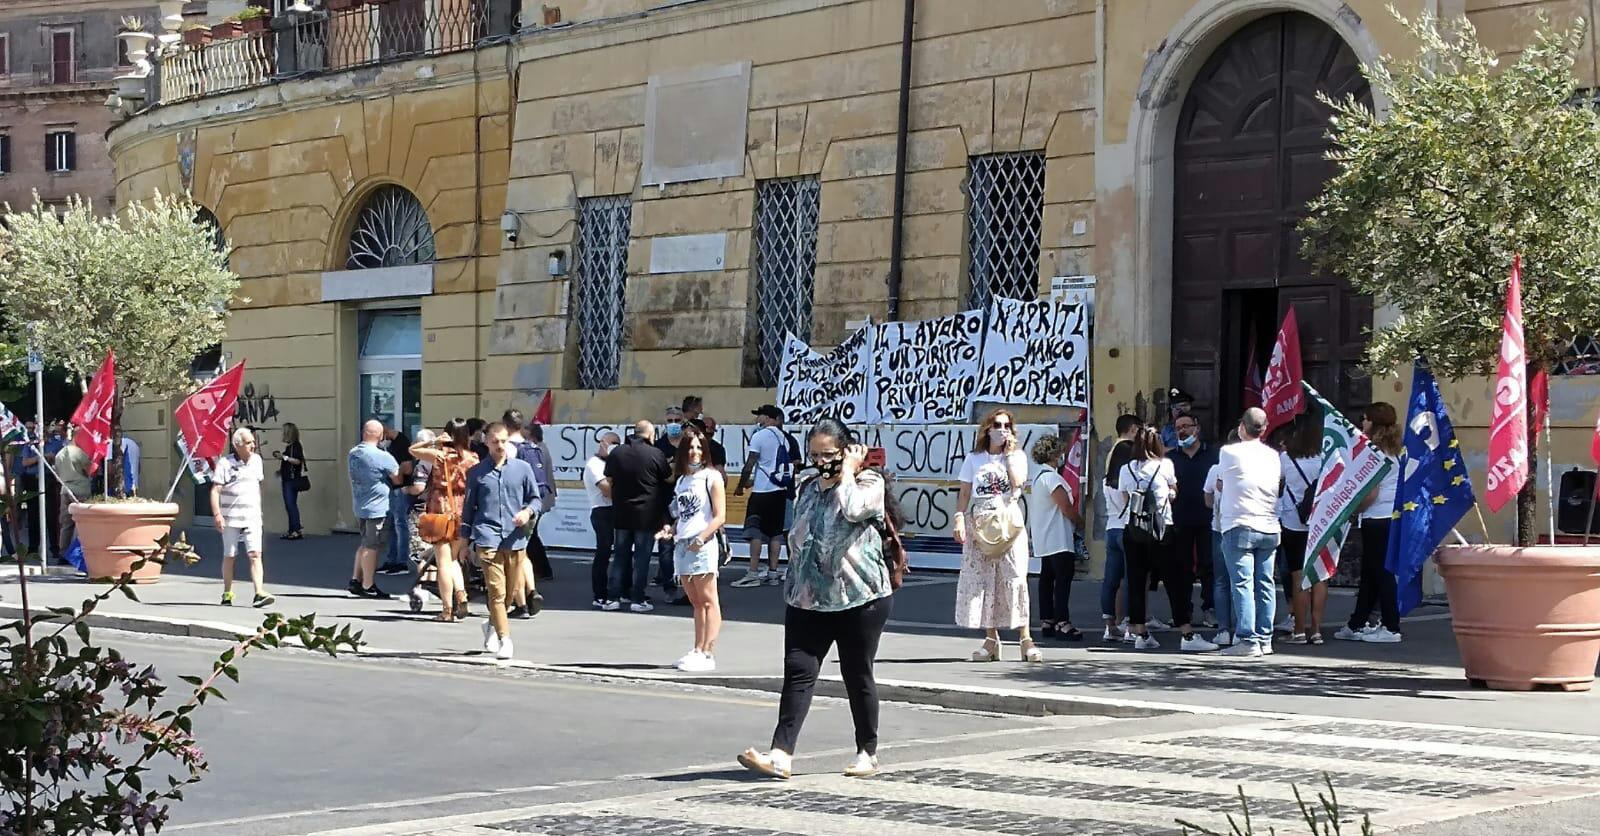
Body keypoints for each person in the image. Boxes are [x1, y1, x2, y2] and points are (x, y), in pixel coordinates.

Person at [737, 417, 895, 781]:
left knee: (857, 674)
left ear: (847, 450)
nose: (821, 461)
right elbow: (800, 534)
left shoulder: (870, 483)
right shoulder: (808, 487)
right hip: (807, 598)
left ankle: (867, 751)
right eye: (814, 454)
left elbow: (854, 510)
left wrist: (851, 471)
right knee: (798, 671)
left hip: (859, 596)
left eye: (829, 454)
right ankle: (781, 753)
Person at [952, 409, 1042, 663]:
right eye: (997, 425)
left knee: (1015, 577)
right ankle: (991, 639)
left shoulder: (1017, 456)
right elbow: (965, 492)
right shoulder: (974, 459)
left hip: (1007, 521)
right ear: (987, 429)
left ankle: (1025, 639)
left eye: (1007, 425)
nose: (1002, 429)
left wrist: (1011, 453)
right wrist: (959, 516)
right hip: (980, 520)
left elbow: (1018, 482)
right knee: (984, 580)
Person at [1117, 428, 1216, 652]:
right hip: (1161, 528)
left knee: (1136, 581)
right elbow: (1173, 492)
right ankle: (1187, 634)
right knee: (1174, 581)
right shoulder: (1165, 465)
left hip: (1133, 531)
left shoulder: (1126, 469)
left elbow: (1125, 499)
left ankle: (1140, 633)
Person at [459, 422, 541, 661]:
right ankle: (505, 638)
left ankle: (491, 625)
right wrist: (464, 542)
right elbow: (468, 510)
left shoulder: (522, 469)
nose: (500, 446)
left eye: (503, 441)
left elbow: (535, 499)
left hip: (515, 539)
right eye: (495, 442)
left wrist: (527, 512)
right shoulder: (477, 473)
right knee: (496, 590)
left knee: (511, 592)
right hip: (487, 536)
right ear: (486, 442)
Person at [1216, 407, 1283, 658]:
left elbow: (1221, 483)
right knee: (1265, 584)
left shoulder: (1229, 452)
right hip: (1269, 524)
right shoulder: (1274, 455)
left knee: (1242, 584)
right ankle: (1265, 638)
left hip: (1239, 523)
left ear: (1242, 427)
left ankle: (1247, 638)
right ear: (1264, 429)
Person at [1337, 402, 1405, 644]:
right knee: (1372, 573)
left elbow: (1371, 492)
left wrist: (1352, 510)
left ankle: (1391, 626)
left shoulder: (1373, 454)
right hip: (1391, 517)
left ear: (1373, 423)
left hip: (1377, 517)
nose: (1361, 424)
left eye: (1364, 419)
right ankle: (1356, 623)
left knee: (1381, 573)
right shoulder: (1397, 451)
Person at [661, 425, 726, 672]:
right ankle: (698, 648)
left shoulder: (712, 477)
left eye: (700, 448)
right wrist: (671, 530)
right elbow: (682, 516)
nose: (695, 452)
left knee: (709, 600)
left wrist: (701, 539)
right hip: (683, 543)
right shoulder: (682, 481)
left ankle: (708, 652)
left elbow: (719, 516)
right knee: (696, 602)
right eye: (691, 448)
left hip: (703, 543)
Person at [410, 420, 479, 621]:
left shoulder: (439, 455)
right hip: (462, 509)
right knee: (454, 559)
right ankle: (461, 594)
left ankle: (447, 610)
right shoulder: (473, 458)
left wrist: (434, 442)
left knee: (443, 563)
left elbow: (412, 449)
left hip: (441, 508)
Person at [604, 421, 673, 612]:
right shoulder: (655, 454)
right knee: (642, 558)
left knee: (619, 556)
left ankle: (613, 598)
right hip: (647, 514)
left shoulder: (617, 452)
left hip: (622, 512)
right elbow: (668, 478)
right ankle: (637, 599)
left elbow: (609, 479)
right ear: (650, 435)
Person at [1276, 412, 1325, 645]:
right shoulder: (1325, 458)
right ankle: (1316, 630)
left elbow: (1277, 484)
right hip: (1321, 522)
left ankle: (1299, 631)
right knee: (1320, 577)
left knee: (1298, 577)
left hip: (1293, 523)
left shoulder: (1286, 459)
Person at [1167, 411, 1219, 625]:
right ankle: (1183, 613)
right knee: (1182, 568)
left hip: (1208, 519)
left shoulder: (1213, 455)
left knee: (1209, 566)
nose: (1182, 431)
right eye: (1178, 428)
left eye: (1186, 426)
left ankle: (1210, 608)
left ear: (1196, 428)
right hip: (1180, 519)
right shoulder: (1171, 459)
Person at [211, 428, 273, 607]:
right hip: (231, 517)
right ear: (237, 445)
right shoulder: (225, 463)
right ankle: (227, 592)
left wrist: (257, 506)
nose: (253, 445)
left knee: (255, 554)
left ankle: (259, 592)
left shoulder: (257, 461)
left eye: (253, 442)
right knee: (230, 555)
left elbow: (258, 484)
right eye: (248, 442)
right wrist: (217, 515)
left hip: (252, 516)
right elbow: (215, 490)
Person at [734, 405, 794, 588]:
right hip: (779, 491)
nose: (758, 420)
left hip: (761, 492)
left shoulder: (759, 436)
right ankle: (773, 573)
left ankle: (752, 572)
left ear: (769, 418)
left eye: (760, 416)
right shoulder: (785, 438)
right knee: (776, 533)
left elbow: (750, 463)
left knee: (756, 532)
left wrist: (740, 486)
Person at [1030, 435, 1082, 641]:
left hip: (1045, 537)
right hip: (1059, 537)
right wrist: (1079, 521)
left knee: (1047, 579)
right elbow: (1065, 507)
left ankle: (1047, 619)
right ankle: (1063, 621)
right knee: (1062, 581)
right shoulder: (1052, 478)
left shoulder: (1038, 477)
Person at [503, 410, 551, 615]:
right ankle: (531, 591)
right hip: (534, 504)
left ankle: (521, 603)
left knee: (515, 556)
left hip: (516, 508)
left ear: (505, 426)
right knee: (523, 553)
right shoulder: (532, 446)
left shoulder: (508, 449)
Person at [347, 420, 401, 599]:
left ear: (364, 433)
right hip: (378, 506)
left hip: (360, 503)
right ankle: (368, 584)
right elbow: (397, 478)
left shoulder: (353, 453)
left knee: (364, 542)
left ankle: (356, 579)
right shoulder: (382, 456)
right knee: (372, 545)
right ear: (380, 435)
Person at [1100, 414, 1142, 642]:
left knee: (1111, 579)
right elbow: (1131, 504)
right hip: (1127, 530)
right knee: (1130, 579)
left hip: (1111, 528)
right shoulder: (1128, 479)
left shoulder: (1107, 481)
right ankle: (1128, 624)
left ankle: (1109, 625)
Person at [583, 431, 620, 609]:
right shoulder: (594, 464)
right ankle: (600, 595)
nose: (614, 446)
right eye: (612, 442)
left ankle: (621, 591)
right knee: (603, 553)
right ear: (603, 442)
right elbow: (608, 490)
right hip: (602, 511)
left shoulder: (614, 463)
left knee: (622, 552)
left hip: (615, 510)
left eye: (617, 444)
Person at [378, 422, 415, 576]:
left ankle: (402, 562)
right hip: (393, 489)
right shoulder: (391, 444)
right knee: (392, 525)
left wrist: (396, 474)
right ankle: (391, 560)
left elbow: (407, 467)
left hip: (401, 489)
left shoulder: (402, 442)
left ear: (384, 431)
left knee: (400, 525)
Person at [53, 436, 93, 554]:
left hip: (64, 490)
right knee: (82, 523)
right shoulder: (79, 452)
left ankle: (62, 552)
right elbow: (89, 470)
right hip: (81, 489)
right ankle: (79, 553)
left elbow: (57, 474)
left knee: (66, 524)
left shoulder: (59, 454)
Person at [274, 423, 307, 540]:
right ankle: (292, 530)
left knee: (291, 505)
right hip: (288, 478)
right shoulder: (291, 447)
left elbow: (297, 461)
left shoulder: (295, 446)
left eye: (284, 432)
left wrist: (284, 457)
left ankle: (296, 530)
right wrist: (280, 470)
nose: (282, 434)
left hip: (291, 480)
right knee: (290, 505)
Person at [118, 428, 141, 497]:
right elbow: (139, 468)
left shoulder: (111, 444)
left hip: (122, 489)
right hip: (134, 487)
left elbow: (110, 469)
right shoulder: (134, 444)